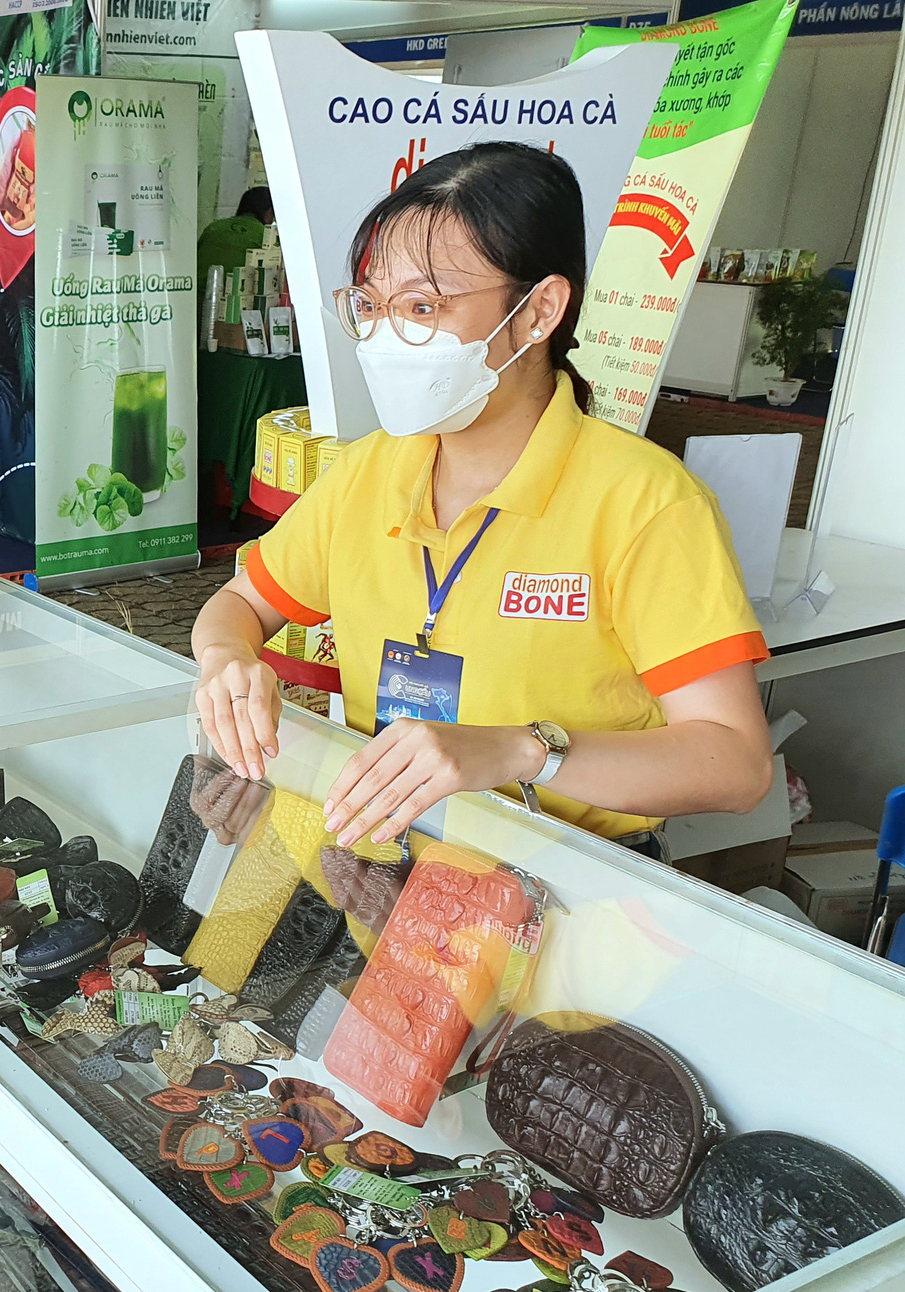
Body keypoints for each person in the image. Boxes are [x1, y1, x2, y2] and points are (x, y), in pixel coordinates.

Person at [193, 143, 772, 853]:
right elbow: (242, 604)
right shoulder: (370, 471)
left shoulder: (647, 503)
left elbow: (737, 767)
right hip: (395, 861)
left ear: (538, 312)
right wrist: (228, 662)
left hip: (571, 886)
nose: (385, 337)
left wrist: (524, 751)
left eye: (423, 305)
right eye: (371, 305)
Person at [197, 186, 274, 291]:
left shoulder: (214, 226)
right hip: (234, 300)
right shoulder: (266, 236)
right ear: (269, 212)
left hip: (195, 296)